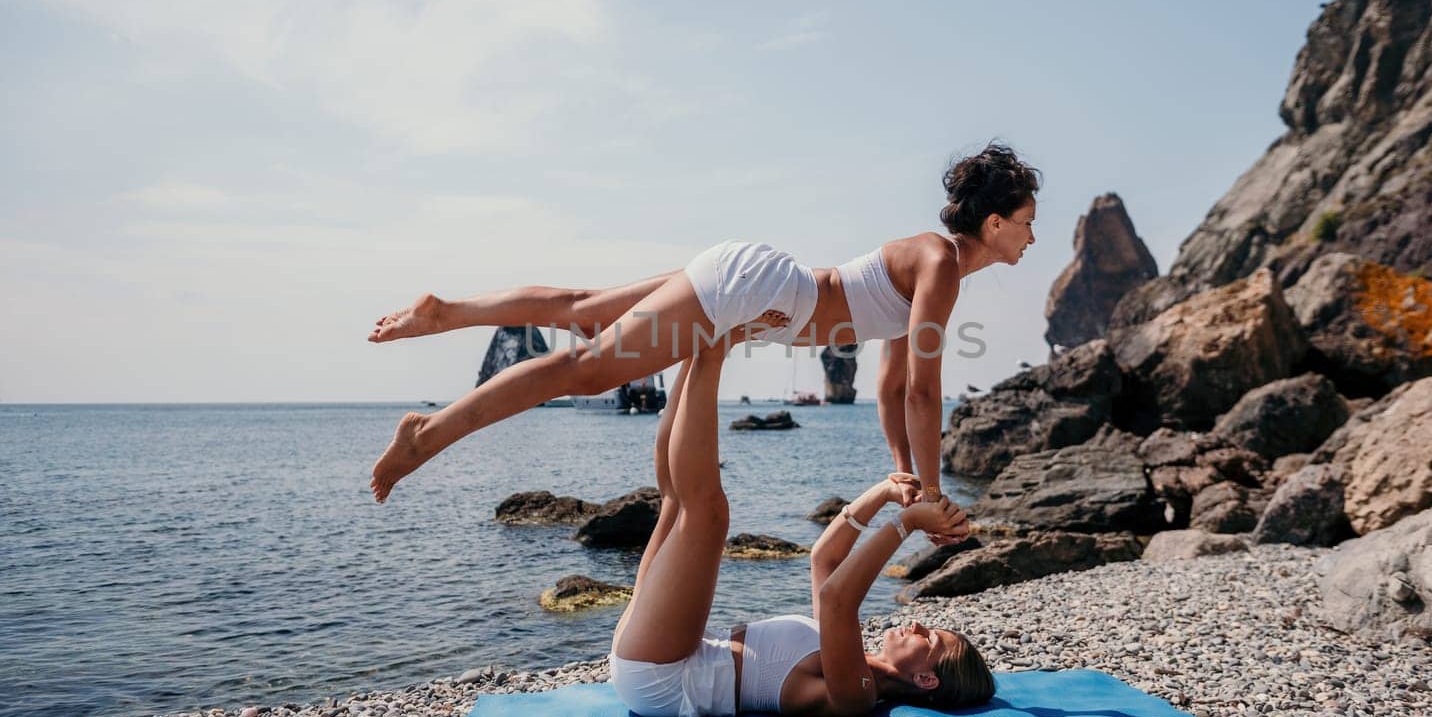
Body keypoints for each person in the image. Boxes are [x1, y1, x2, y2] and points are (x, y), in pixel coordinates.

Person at [368, 143, 1040, 503]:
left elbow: (894, 387)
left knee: (583, 308)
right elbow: (923, 392)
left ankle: (446, 312)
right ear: (994, 221)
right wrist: (928, 492)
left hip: (757, 280)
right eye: (1028, 221)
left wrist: (904, 473)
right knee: (588, 369)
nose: (1032, 236)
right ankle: (427, 432)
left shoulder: (928, 259)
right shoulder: (942, 265)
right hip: (759, 290)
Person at [607, 337, 993, 717]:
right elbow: (824, 559)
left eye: (931, 639)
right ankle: (699, 339)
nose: (918, 624)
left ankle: (714, 344)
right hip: (665, 650)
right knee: (675, 503)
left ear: (926, 680)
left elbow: (837, 600)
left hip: (665, 676)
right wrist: (883, 493)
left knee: (707, 515)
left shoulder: (858, 692)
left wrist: (906, 523)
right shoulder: (853, 654)